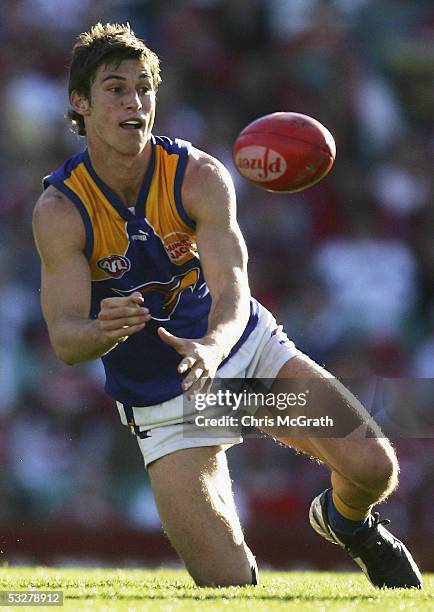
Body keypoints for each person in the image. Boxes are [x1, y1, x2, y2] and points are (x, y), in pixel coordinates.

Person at [32, 23, 422, 588]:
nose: (134, 102)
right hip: (161, 401)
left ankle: (348, 525)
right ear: (79, 102)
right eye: (116, 88)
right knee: (230, 588)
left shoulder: (198, 175)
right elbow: (66, 342)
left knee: (374, 468)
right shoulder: (61, 209)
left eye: (144, 88)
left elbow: (235, 286)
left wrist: (213, 346)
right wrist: (102, 329)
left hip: (241, 352)